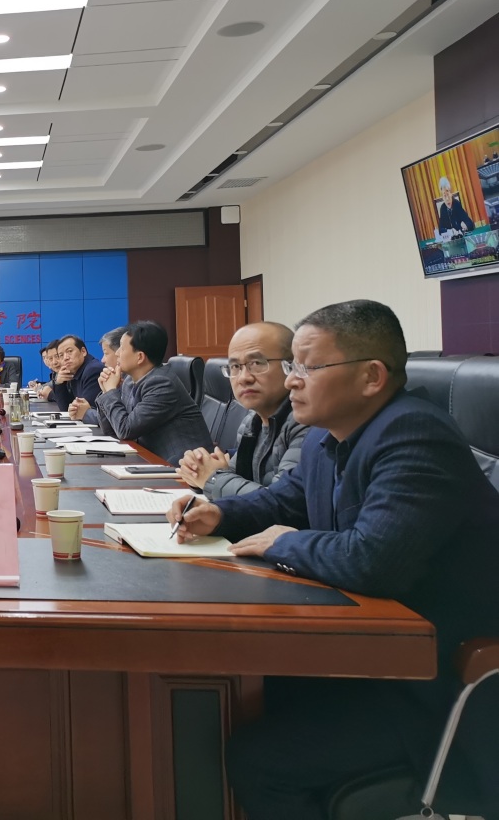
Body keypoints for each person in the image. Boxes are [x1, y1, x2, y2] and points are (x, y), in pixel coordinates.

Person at [169, 300, 499, 819]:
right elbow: (281, 504)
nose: (291, 380)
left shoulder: (414, 436)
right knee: (230, 700)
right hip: (365, 649)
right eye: (292, 365)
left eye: (307, 367)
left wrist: (282, 543)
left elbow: (372, 560)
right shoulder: (328, 435)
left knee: (259, 759)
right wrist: (219, 513)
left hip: (430, 682)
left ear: (371, 376)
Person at [177, 322, 307, 498]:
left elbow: (280, 501)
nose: (243, 378)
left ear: (291, 366)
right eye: (235, 367)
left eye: (257, 363)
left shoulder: (306, 422)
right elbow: (232, 476)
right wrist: (199, 470)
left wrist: (212, 478)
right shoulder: (252, 421)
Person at [92, 320, 213, 465]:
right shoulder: (130, 381)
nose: (117, 353)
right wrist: (106, 391)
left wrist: (111, 392)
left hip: (184, 466)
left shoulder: (161, 384)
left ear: (140, 357)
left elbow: (125, 430)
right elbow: (113, 432)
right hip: (151, 460)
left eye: (122, 348)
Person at [51, 335, 104, 409]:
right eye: (61, 355)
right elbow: (65, 408)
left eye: (70, 351)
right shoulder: (74, 371)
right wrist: (59, 383)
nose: (65, 358)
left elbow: (83, 410)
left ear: (83, 351)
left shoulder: (93, 370)